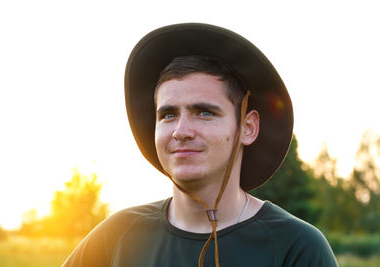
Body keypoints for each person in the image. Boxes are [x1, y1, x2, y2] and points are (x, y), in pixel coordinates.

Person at [63, 23, 338, 267]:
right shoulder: (117, 236)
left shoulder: (296, 247)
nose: (181, 131)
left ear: (248, 127)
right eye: (168, 114)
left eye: (204, 112)